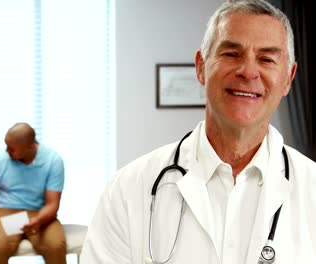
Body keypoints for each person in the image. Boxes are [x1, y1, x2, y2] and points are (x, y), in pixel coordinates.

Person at [80, 0, 316, 263]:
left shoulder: (312, 189)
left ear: (288, 78)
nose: (248, 71)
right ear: (201, 66)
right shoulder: (128, 190)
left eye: (267, 59)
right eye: (231, 54)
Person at [0, 122, 66, 264]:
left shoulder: (53, 161)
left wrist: (38, 221)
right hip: (5, 211)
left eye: (11, 149)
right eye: (6, 146)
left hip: (39, 212)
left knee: (56, 246)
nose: (6, 151)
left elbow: (52, 204)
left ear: (30, 147)